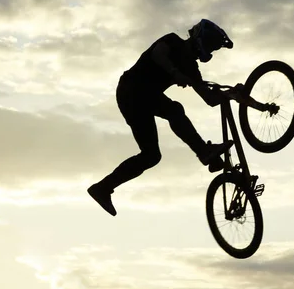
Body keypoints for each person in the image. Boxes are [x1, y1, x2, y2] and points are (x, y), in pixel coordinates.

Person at [87, 19, 235, 216]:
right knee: (174, 110)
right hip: (131, 89)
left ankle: (103, 188)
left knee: (151, 155)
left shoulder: (191, 68)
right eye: (210, 46)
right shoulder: (173, 41)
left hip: (143, 98)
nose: (210, 51)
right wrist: (174, 72)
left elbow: (209, 99)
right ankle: (204, 152)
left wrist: (233, 94)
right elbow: (158, 54)